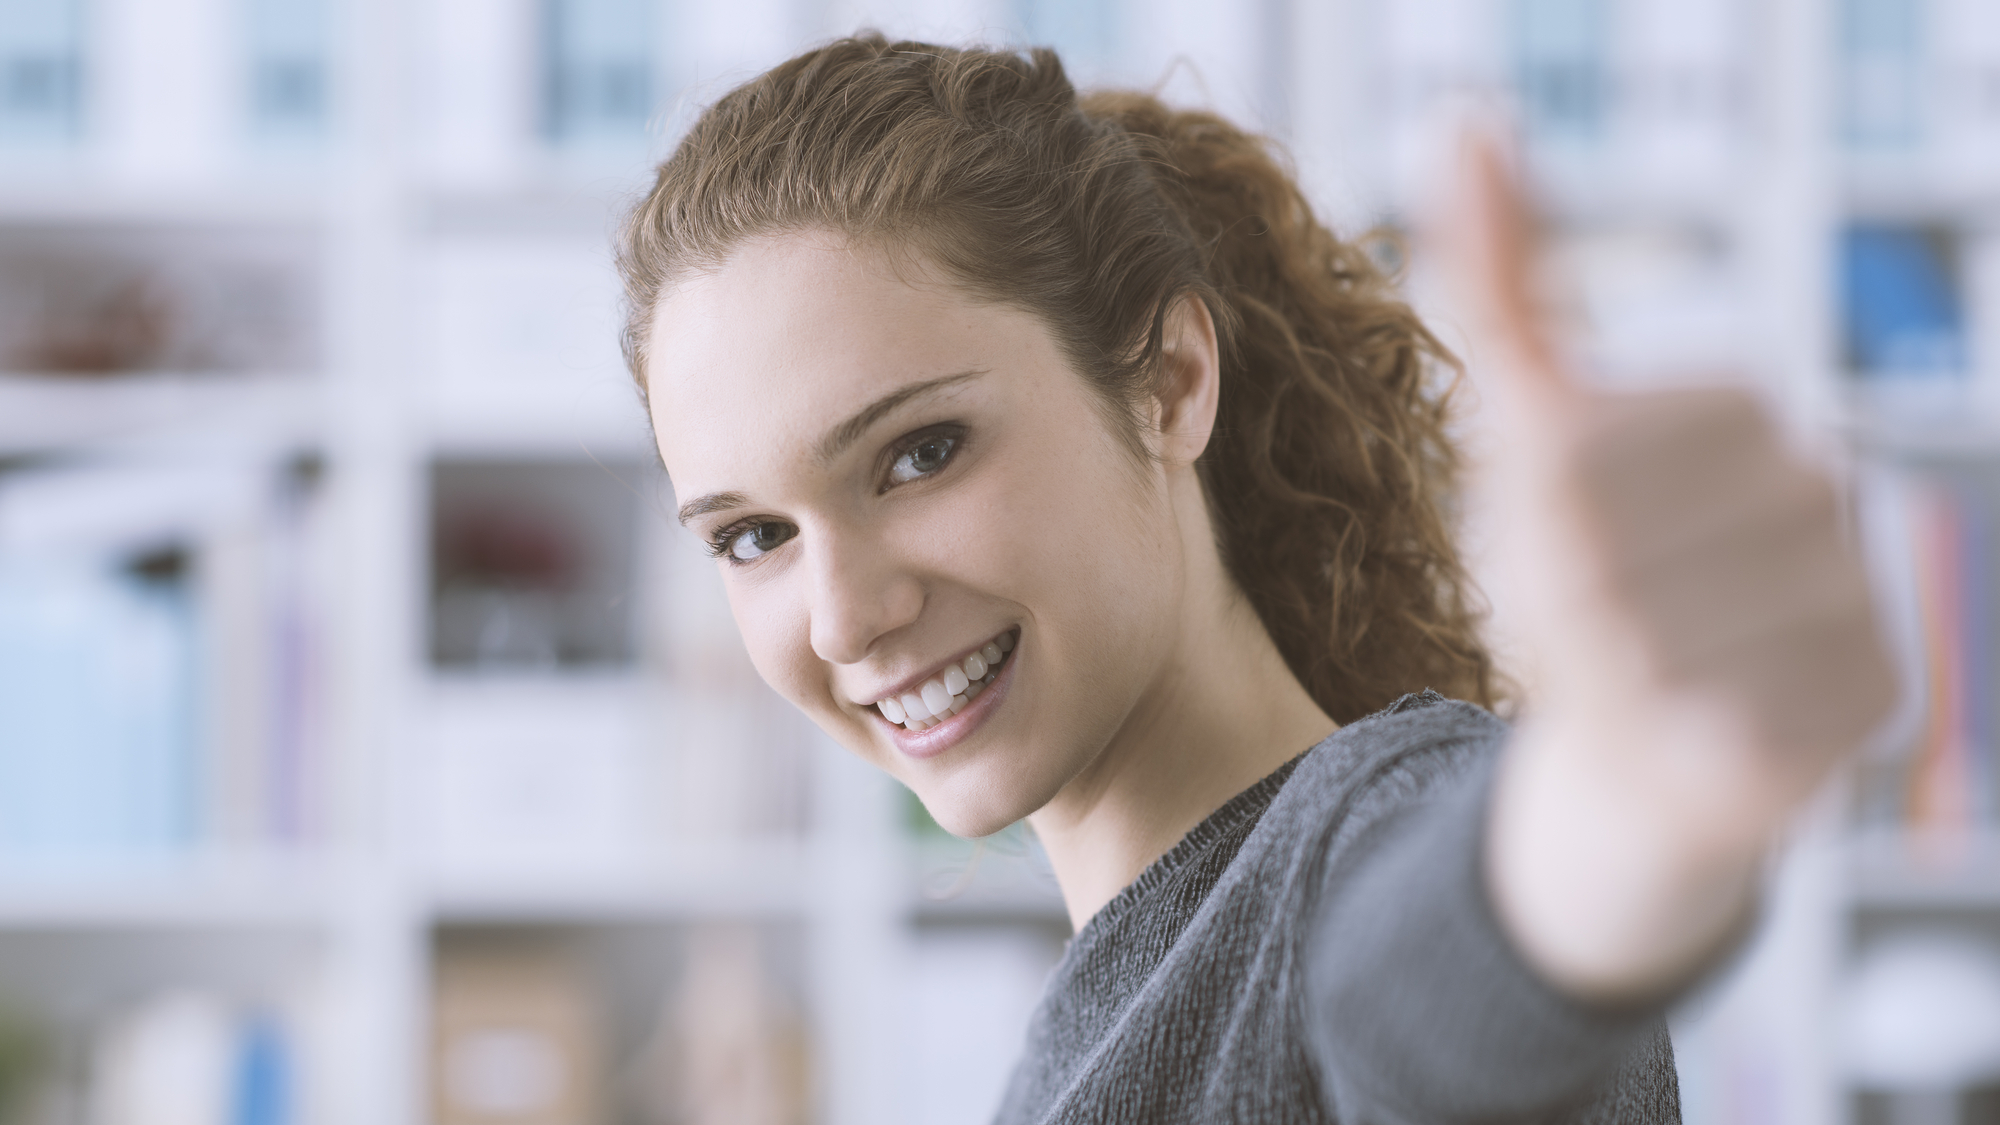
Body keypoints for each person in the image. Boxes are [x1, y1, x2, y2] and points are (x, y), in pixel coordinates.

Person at [620, 33, 1894, 1124]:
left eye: (919, 454)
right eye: (751, 537)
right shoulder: (1071, 1045)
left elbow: (1444, 979)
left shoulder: (1360, 837)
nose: (843, 616)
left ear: (1170, 381)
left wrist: (1629, 795)